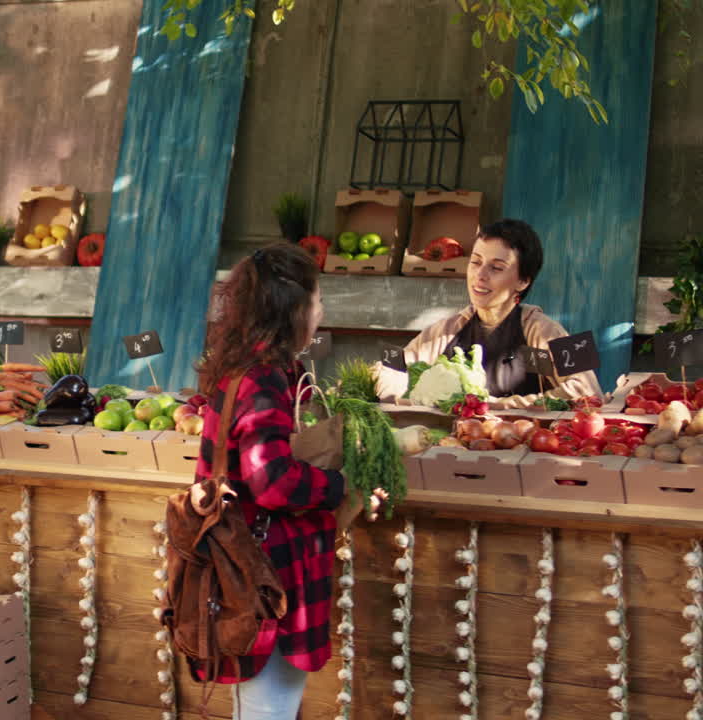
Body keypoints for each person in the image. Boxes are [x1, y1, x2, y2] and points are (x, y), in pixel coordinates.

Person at [191, 244, 384, 720]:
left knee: (263, 707)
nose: (322, 311)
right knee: (268, 711)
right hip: (266, 576)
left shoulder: (256, 371)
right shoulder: (262, 379)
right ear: (293, 309)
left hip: (254, 571)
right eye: (318, 300)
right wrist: (340, 487)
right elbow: (272, 480)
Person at [376, 219, 601, 408]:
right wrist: (401, 399)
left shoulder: (545, 330)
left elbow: (589, 391)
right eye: (475, 262)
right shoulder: (448, 329)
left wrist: (496, 406)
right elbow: (389, 364)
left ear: (523, 281)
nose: (480, 275)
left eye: (496, 268)